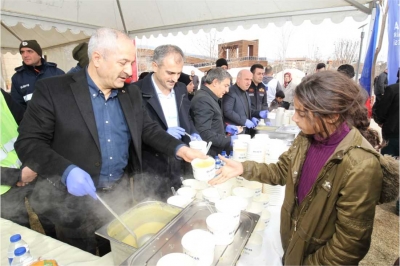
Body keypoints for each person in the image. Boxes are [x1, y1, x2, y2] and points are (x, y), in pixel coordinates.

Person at [14, 28, 206, 255]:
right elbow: (28, 142)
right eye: (123, 62)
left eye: (131, 63)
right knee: (80, 256)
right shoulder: (54, 90)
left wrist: (180, 148)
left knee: (114, 253)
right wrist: (65, 171)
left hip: (117, 197)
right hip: (72, 202)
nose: (129, 71)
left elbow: (147, 129)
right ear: (97, 58)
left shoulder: (130, 93)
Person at [210, 71, 399, 265]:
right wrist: (243, 167)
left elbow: (349, 244)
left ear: (332, 116)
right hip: (295, 244)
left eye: (302, 113)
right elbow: (282, 170)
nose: (295, 119)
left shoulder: (360, 165)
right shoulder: (307, 138)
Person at [133, 45, 201, 201]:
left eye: (178, 73)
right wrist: (164, 133)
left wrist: (194, 132)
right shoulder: (136, 91)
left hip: (180, 161)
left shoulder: (181, 89)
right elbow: (135, 131)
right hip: (154, 165)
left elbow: (186, 117)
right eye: (170, 73)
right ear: (155, 66)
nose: (174, 79)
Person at [190, 68, 240, 157]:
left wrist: (225, 127)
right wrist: (228, 140)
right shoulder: (203, 100)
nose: (227, 90)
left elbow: (212, 122)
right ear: (215, 82)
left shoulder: (210, 97)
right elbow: (204, 133)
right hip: (209, 153)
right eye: (226, 85)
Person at [11, 40, 65, 109]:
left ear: (39, 54)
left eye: (29, 51)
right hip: (32, 119)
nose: (25, 55)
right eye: (22, 52)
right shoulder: (17, 78)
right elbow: (17, 107)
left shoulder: (56, 73)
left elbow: (67, 99)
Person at [223, 69, 264, 135]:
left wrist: (258, 114)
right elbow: (227, 111)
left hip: (245, 132)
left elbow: (247, 110)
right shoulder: (231, 92)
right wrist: (244, 121)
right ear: (238, 79)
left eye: (250, 80)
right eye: (246, 79)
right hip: (234, 132)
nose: (249, 83)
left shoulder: (245, 92)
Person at [373, 71, 399, 157]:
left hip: (392, 133)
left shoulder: (392, 89)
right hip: (393, 132)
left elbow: (381, 111)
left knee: (388, 165)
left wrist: (380, 121)